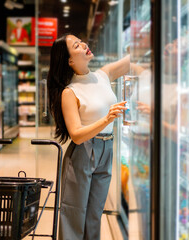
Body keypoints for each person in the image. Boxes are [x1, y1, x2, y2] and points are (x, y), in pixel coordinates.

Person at [47, 34, 129, 240]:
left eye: (81, 41)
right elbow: (76, 135)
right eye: (76, 45)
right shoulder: (70, 92)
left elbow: (130, 61)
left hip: (106, 148)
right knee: (74, 213)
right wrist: (107, 119)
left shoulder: (103, 75)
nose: (84, 45)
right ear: (70, 61)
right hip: (83, 153)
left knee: (94, 214)